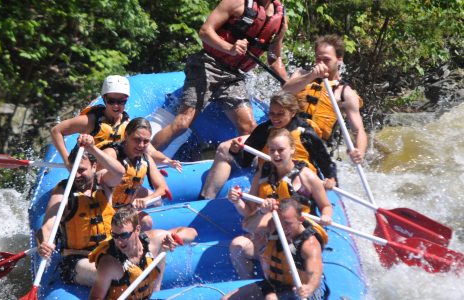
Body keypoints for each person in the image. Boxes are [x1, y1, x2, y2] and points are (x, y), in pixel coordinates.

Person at [151, 0, 288, 151]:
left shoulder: (280, 18)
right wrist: (230, 48)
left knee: (250, 129)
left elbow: (274, 59)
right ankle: (144, 157)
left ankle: (248, 167)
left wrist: (287, 84)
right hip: (208, 64)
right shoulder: (236, 2)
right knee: (182, 123)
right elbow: (204, 31)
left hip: (233, 75)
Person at [226, 128, 332, 280]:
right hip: (269, 235)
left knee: (287, 260)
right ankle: (250, 284)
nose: (276, 154)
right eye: (272, 150)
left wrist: (326, 216)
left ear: (292, 149)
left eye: (281, 150)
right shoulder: (262, 174)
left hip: (295, 235)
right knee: (237, 247)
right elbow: (249, 212)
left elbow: (326, 206)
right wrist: (237, 202)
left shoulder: (307, 176)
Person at [199, 91, 336, 200]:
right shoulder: (265, 130)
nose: (275, 118)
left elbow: (324, 160)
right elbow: (245, 160)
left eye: (280, 114)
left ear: (293, 113)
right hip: (270, 176)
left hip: (298, 179)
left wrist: (331, 178)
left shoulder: (305, 132)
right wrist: (235, 152)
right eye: (272, 113)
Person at [36, 134, 125, 287]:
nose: (77, 175)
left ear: (95, 166)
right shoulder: (63, 191)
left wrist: (92, 148)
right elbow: (48, 225)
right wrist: (44, 243)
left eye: (82, 170)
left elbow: (119, 172)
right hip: (78, 261)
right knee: (109, 274)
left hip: (109, 253)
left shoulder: (104, 182)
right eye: (74, 170)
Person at [50, 75, 181, 171]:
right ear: (104, 99)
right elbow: (56, 131)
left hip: (109, 175)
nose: (116, 106)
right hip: (88, 173)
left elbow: (150, 151)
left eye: (121, 101)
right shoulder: (90, 121)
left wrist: (167, 161)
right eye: (111, 101)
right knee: (111, 153)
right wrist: (67, 161)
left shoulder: (127, 125)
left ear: (127, 100)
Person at [283, 34, 368, 164]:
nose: (321, 64)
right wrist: (311, 76)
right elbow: (285, 91)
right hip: (286, 138)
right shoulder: (302, 75)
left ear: (339, 60)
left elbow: (359, 131)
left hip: (315, 147)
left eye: (326, 60)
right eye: (318, 59)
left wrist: (359, 151)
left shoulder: (345, 93)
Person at [222, 197, 328, 300]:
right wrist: (262, 211)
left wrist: (309, 287)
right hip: (273, 285)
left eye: (287, 224)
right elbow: (247, 226)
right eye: (280, 224)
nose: (282, 229)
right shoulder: (275, 223)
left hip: (298, 290)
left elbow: (315, 273)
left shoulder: (309, 244)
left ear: (300, 219)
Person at [88, 206, 198, 299]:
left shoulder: (154, 241)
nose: (119, 241)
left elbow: (192, 233)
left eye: (124, 235)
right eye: (115, 236)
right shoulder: (109, 264)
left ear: (137, 230)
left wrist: (175, 239)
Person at [103, 117, 170, 231]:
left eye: (146, 141)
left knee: (146, 221)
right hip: (104, 208)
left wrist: (146, 199)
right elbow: (97, 181)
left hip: (125, 210)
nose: (141, 145)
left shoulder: (146, 159)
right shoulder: (112, 154)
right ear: (126, 135)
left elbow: (163, 189)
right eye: (137, 139)